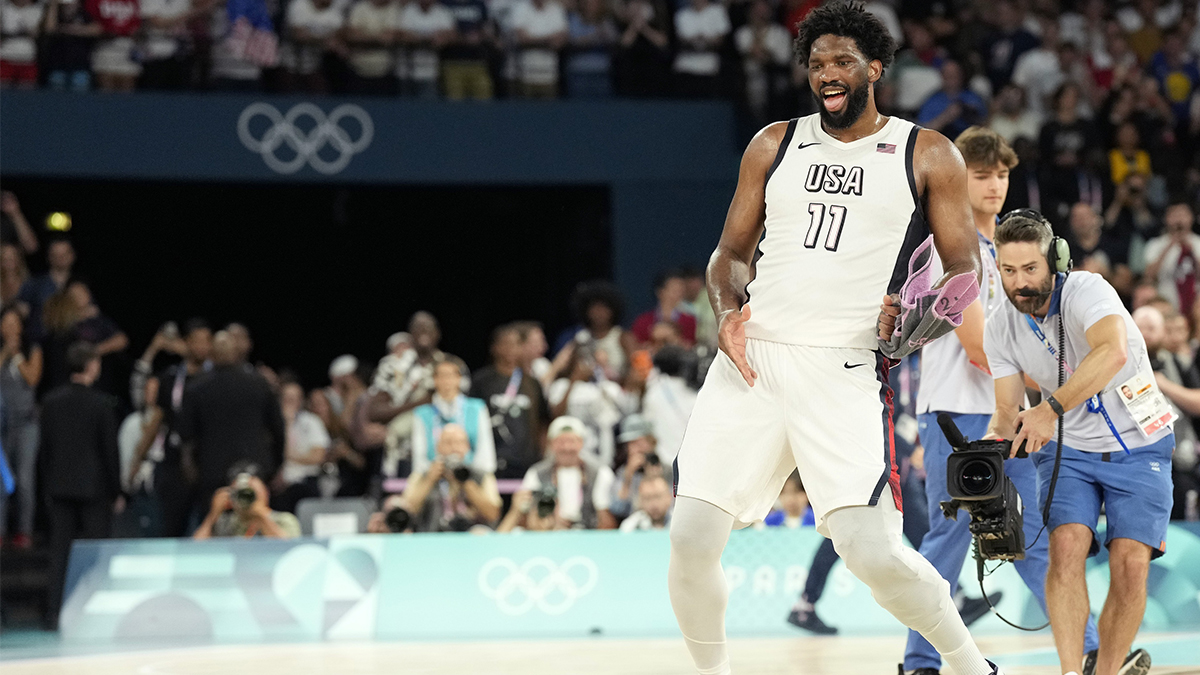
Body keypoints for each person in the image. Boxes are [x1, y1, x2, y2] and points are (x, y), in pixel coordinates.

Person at [668, 4, 998, 675]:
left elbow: (965, 271)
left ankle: (970, 666)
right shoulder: (774, 142)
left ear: (875, 68)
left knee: (873, 554)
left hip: (843, 366)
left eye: (842, 60)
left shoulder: (927, 151)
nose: (827, 73)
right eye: (816, 63)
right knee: (690, 535)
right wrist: (727, 308)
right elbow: (729, 254)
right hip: (751, 358)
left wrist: (915, 327)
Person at [904, 128, 1100, 675]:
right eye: (981, 174)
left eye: (1002, 174)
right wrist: (1049, 391)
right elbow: (975, 346)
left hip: (1003, 411)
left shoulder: (1005, 253)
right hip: (957, 412)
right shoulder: (951, 248)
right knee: (955, 535)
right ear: (955, 178)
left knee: (1025, 534)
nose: (994, 185)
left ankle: (1085, 647)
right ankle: (922, 659)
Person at [982, 212, 1170, 675]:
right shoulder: (999, 324)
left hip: (1140, 442)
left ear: (1055, 261)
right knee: (1065, 549)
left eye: (1030, 269)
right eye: (1008, 271)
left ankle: (1106, 671)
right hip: (1070, 452)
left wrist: (1048, 410)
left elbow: (1113, 351)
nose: (1019, 283)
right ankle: (1071, 672)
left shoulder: (1089, 289)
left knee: (1130, 565)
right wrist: (990, 447)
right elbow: (1007, 411)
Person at [38, 342, 121, 626]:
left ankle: (54, 613)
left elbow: (45, 450)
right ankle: (94, 613)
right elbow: (109, 451)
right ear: (89, 366)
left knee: (59, 551)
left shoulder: (50, 401)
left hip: (59, 487)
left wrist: (46, 485)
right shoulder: (101, 403)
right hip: (93, 489)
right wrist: (116, 490)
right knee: (97, 551)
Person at [177, 330, 287, 522]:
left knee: (216, 529)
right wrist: (276, 466)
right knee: (255, 525)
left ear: (212, 353)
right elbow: (278, 429)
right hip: (255, 472)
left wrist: (190, 468)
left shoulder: (196, 387)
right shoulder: (259, 383)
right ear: (235, 352)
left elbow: (186, 435)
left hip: (212, 474)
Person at [127, 319, 211, 536]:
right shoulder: (171, 378)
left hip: (209, 461)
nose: (202, 346)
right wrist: (138, 457)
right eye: (197, 341)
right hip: (174, 463)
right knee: (171, 528)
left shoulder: (216, 378)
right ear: (186, 343)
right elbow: (158, 418)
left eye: (207, 341)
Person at [368, 311, 447, 478]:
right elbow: (375, 412)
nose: (424, 331)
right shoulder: (391, 366)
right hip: (400, 457)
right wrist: (422, 402)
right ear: (410, 334)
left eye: (429, 327)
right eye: (418, 327)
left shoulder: (451, 367)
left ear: (438, 333)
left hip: (442, 456)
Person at [470, 324, 550, 480]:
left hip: (526, 461)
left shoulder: (532, 383)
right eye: (505, 344)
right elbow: (472, 419)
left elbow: (543, 422)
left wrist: (541, 455)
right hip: (492, 459)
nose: (511, 349)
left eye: (516, 345)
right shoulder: (481, 381)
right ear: (494, 348)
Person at [520, 416, 616, 529]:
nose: (566, 448)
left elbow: (607, 521)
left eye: (571, 441)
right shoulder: (536, 474)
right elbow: (524, 517)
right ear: (551, 444)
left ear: (581, 443)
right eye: (561, 442)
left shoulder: (600, 473)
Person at [402, 423, 502, 531]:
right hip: (431, 536)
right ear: (438, 447)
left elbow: (493, 514)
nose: (454, 448)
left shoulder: (482, 476)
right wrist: (429, 480)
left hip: (471, 537)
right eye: (448, 443)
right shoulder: (423, 475)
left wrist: (465, 481)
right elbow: (406, 511)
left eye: (459, 443)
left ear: (467, 447)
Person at [410, 356, 495, 478]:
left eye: (451, 375)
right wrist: (437, 471)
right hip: (434, 477)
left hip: (471, 476)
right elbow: (419, 462)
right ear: (434, 380)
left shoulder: (477, 408)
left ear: (459, 378)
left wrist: (469, 471)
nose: (447, 381)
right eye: (442, 376)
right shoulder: (422, 414)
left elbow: (486, 457)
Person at [0, 306, 41, 549]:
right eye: (6, 323)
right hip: (2, 424)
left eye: (15, 323)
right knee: (1, 481)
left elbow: (33, 377)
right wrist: (6, 352)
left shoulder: (32, 350)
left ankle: (24, 531)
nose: (11, 328)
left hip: (27, 423)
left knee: (25, 478)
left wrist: (17, 356)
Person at [193, 463, 300, 539]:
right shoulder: (225, 524)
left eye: (251, 492)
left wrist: (261, 517)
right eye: (241, 493)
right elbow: (194, 552)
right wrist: (213, 514)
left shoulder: (283, 520)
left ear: (266, 492)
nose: (246, 498)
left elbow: (288, 552)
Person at [273, 379, 331, 513]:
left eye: (294, 398)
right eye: (286, 398)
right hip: (278, 486)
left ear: (301, 400)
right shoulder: (272, 423)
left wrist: (288, 456)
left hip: (306, 484)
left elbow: (318, 456)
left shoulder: (311, 422)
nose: (290, 403)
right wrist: (287, 423)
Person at [610, 413, 672, 520]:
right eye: (630, 444)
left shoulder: (668, 470)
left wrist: (655, 478)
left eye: (638, 443)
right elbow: (618, 510)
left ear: (651, 442)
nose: (634, 449)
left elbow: (674, 507)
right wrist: (628, 478)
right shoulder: (624, 472)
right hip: (635, 529)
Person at [1141, 202, 1199, 315]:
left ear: (1191, 217)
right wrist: (1168, 248)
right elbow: (1148, 276)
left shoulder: (1198, 244)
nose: (1179, 220)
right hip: (1166, 305)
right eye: (1174, 215)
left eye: (1183, 215)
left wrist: (1192, 253)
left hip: (1196, 308)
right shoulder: (1155, 245)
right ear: (1166, 219)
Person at [18, 238, 75, 342]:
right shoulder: (34, 284)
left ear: (72, 256)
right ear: (49, 257)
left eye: (64, 254)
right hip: (40, 342)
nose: (60, 258)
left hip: (72, 342)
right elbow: (21, 314)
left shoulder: (80, 285)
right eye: (56, 254)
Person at [396, 0, 456, 98]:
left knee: (427, 106)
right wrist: (427, 38)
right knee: (405, 106)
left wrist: (442, 38)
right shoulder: (408, 10)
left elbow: (451, 34)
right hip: (407, 70)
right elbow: (402, 34)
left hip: (430, 70)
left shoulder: (442, 12)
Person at [509, 0, 567, 98]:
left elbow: (561, 40)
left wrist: (533, 39)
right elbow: (521, 39)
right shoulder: (521, 8)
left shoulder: (556, 9)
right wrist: (548, 39)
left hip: (550, 76)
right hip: (525, 76)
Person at [671, 0, 728, 99]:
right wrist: (699, 41)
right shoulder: (682, 15)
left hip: (709, 68)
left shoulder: (717, 12)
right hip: (685, 67)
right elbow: (681, 39)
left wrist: (703, 40)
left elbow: (721, 39)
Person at [631, 269, 697, 346]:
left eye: (681, 290)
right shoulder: (643, 321)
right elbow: (638, 348)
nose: (679, 294)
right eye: (674, 290)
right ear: (660, 292)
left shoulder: (689, 321)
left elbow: (691, 346)